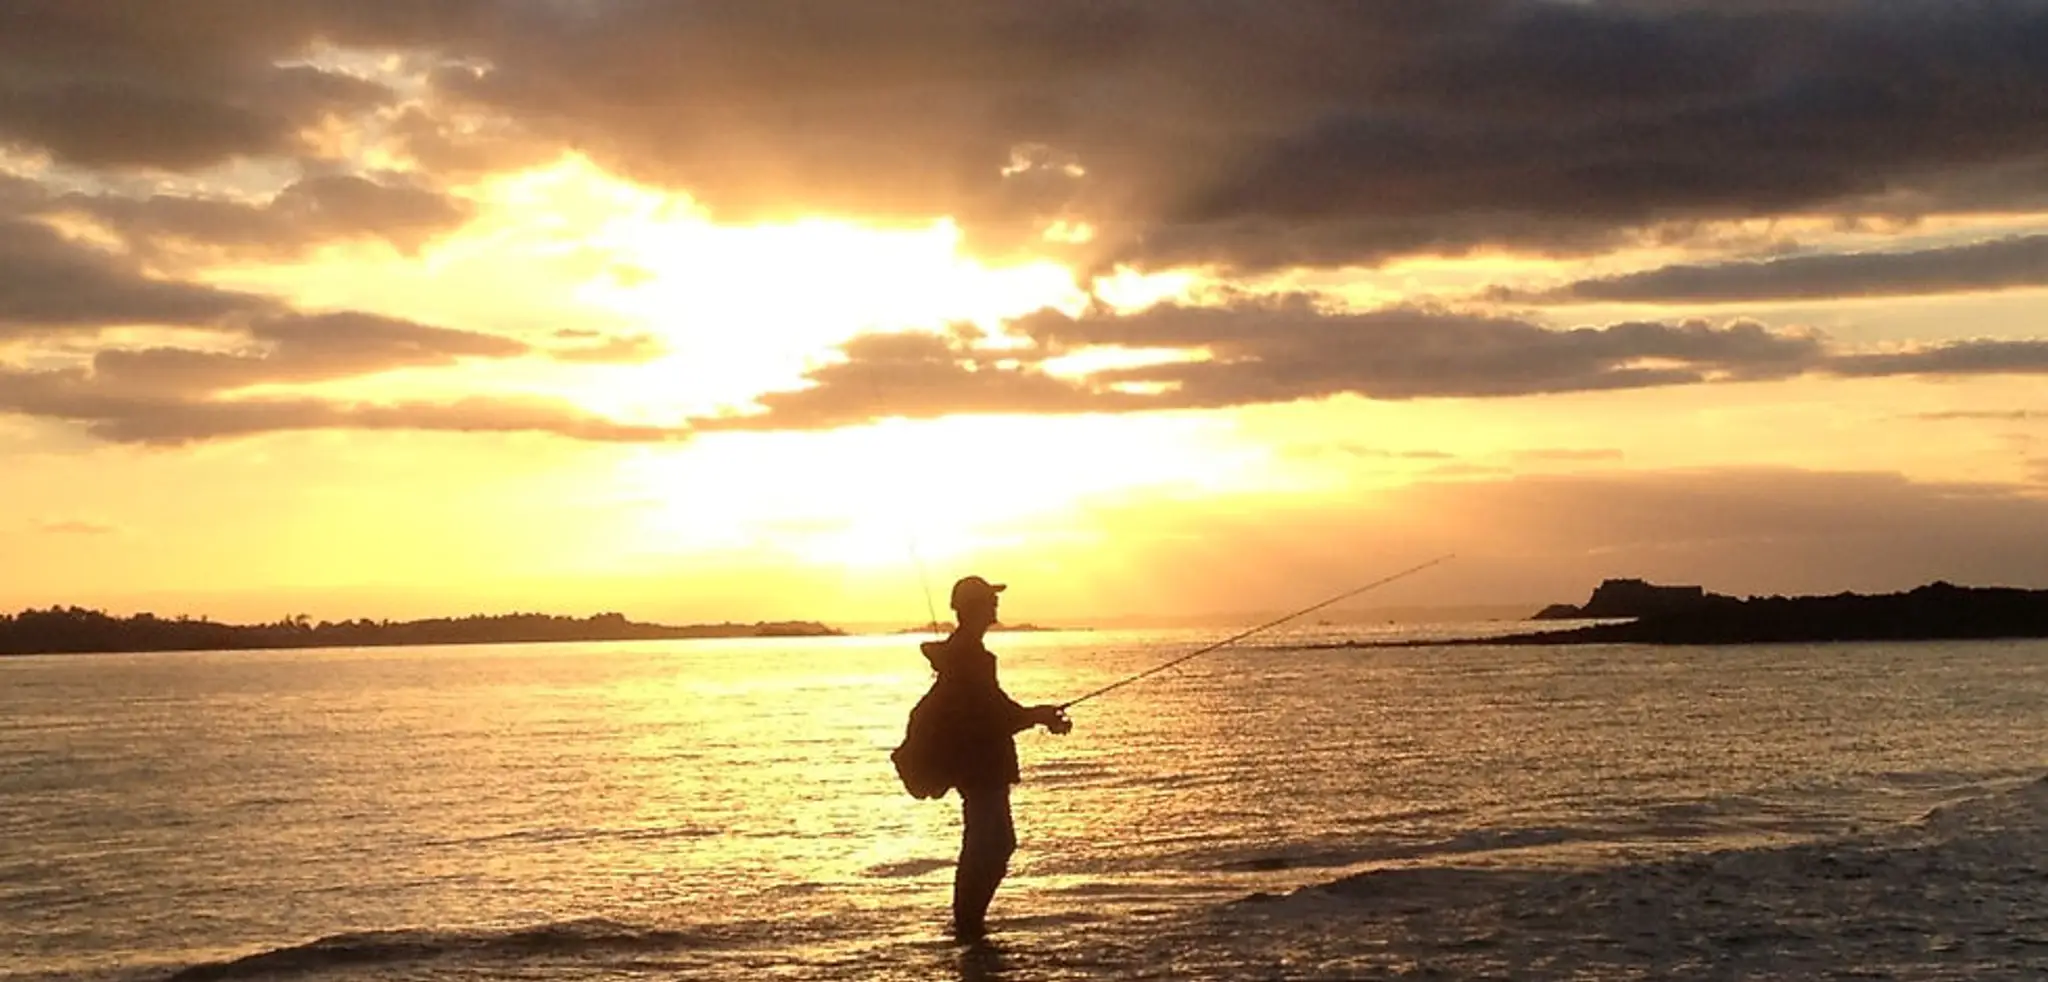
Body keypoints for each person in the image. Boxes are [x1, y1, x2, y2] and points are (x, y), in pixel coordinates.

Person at [897, 575, 1071, 941]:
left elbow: (996, 709)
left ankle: (969, 922)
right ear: (973, 608)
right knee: (989, 842)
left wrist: (1036, 715)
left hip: (979, 765)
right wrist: (1037, 715)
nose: (995, 605)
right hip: (980, 767)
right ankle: (967, 923)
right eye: (989, 600)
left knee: (991, 842)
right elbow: (992, 714)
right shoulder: (970, 658)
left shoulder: (968, 654)